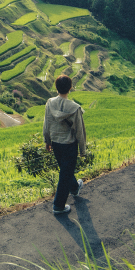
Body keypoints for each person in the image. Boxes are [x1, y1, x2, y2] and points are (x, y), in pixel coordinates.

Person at [42, 74, 87, 214]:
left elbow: (47, 122)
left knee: (65, 170)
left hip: (56, 143)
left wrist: (47, 141)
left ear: (56, 88)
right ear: (70, 88)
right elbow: (80, 131)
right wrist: (82, 150)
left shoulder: (50, 102)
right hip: (69, 144)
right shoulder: (74, 108)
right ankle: (58, 206)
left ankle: (74, 188)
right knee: (65, 173)